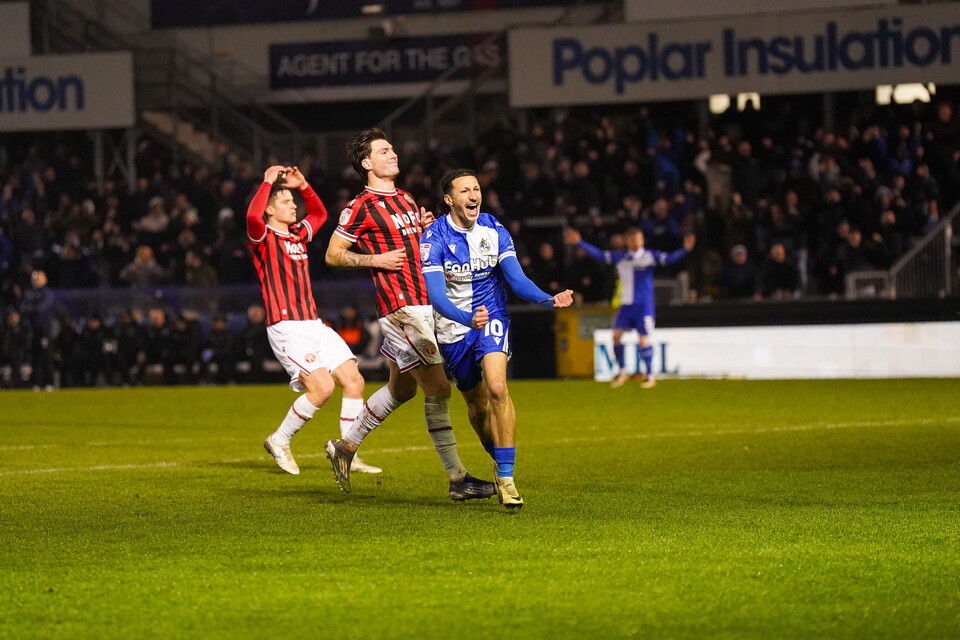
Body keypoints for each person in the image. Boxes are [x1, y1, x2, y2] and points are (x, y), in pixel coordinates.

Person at [323, 128, 494, 500]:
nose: (393, 154)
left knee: (401, 390)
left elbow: (416, 247)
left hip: (424, 303)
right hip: (401, 310)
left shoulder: (404, 199)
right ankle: (457, 479)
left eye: (393, 149)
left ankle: (345, 448)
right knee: (438, 388)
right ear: (367, 163)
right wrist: (375, 259)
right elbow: (333, 254)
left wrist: (427, 229)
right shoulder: (360, 207)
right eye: (384, 151)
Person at [422, 168, 573, 508]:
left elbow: (515, 279)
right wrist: (465, 317)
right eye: (465, 191)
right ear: (449, 199)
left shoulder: (494, 228)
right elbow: (436, 296)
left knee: (497, 388)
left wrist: (548, 298)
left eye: (476, 189)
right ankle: (497, 454)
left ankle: (506, 478)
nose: (474, 195)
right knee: (476, 408)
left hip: (492, 318)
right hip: (454, 328)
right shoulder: (434, 238)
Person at [246, 165, 380, 476]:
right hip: (286, 327)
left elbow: (319, 215)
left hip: (313, 324)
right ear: (268, 208)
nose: (294, 205)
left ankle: (347, 452)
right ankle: (279, 441)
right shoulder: (263, 235)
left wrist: (305, 185)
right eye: (285, 201)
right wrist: (267, 181)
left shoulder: (297, 234)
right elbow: (252, 217)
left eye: (294, 201)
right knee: (321, 388)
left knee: (354, 380)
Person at [564, 226, 695, 388]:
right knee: (616, 336)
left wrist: (684, 250)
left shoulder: (649, 256)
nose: (636, 242)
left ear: (642, 240)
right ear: (627, 241)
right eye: (632, 239)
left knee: (643, 340)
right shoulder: (621, 257)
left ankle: (650, 375)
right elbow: (599, 255)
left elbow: (669, 259)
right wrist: (580, 243)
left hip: (644, 306)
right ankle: (622, 371)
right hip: (626, 305)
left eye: (638, 239)